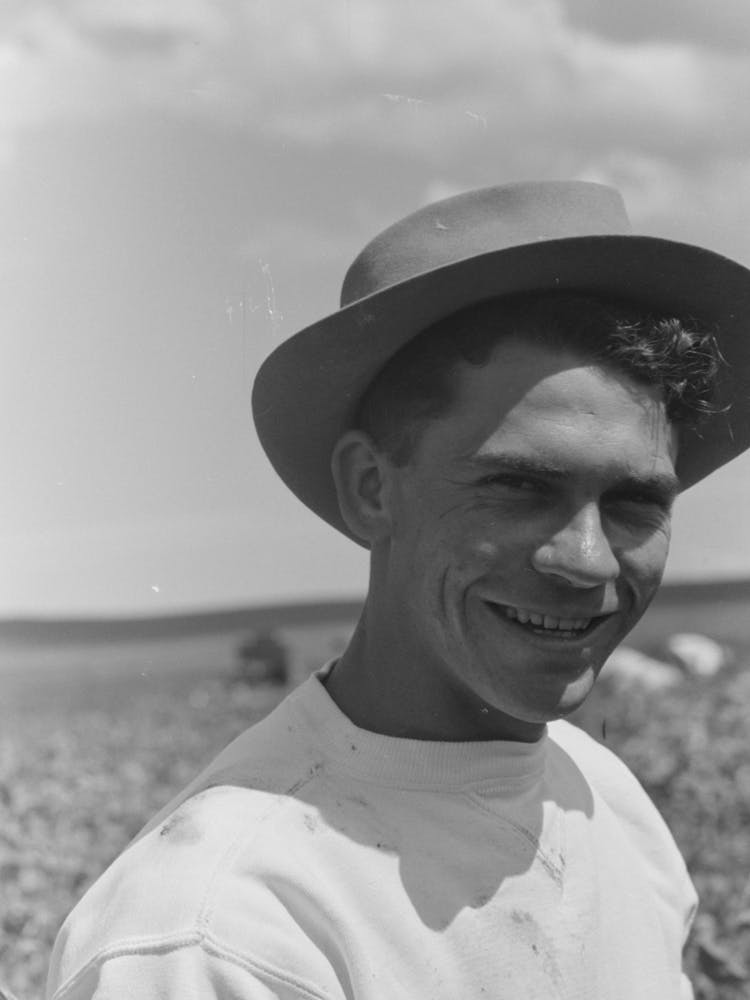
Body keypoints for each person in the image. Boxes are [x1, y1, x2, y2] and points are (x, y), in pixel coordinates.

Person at [46, 181, 750, 999]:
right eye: (519, 488)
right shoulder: (226, 935)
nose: (588, 559)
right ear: (371, 488)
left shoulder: (606, 801)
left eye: (635, 502)